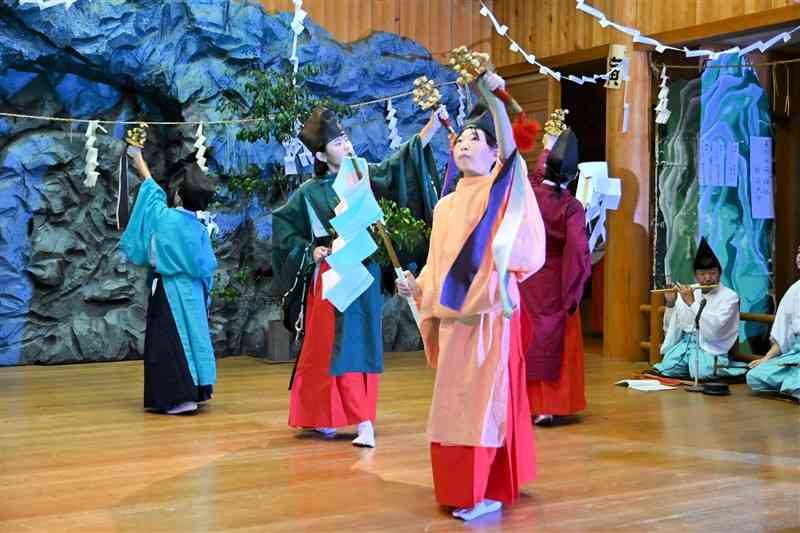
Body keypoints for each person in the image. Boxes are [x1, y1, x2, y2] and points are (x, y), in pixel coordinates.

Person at [398, 72, 546, 521]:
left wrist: (491, 96)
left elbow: (515, 149)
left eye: (476, 138)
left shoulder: (505, 192)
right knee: (453, 407)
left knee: (483, 405)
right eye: (460, 139)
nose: (464, 144)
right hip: (454, 318)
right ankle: (463, 487)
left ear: (495, 152)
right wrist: (417, 286)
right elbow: (437, 265)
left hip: (489, 315)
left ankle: (482, 490)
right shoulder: (445, 204)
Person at [272, 106, 444, 448]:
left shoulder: (363, 173)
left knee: (358, 343)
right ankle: (323, 415)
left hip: (362, 271)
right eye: (337, 143)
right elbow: (284, 227)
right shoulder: (309, 191)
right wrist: (311, 250)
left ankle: (364, 418)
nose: (346, 146)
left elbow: (400, 167)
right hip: (331, 274)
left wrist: (431, 128)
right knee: (324, 348)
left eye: (345, 138)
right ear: (321, 154)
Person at [120, 145, 218, 415]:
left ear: (176, 196)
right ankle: (197, 390)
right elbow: (207, 267)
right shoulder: (199, 229)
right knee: (195, 338)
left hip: (170, 289)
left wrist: (137, 158)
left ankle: (178, 397)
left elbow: (151, 191)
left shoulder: (164, 219)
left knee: (169, 343)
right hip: (195, 292)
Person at [520, 123, 591, 426]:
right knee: (553, 336)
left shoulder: (529, 194)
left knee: (526, 336)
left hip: (525, 275)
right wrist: (573, 291)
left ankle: (522, 404)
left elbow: (537, 176)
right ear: (574, 177)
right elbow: (578, 251)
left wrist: (548, 147)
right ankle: (548, 405)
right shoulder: (571, 206)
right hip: (554, 276)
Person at [653, 238, 746, 380]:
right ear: (696, 276)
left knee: (701, 373)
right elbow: (671, 326)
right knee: (666, 369)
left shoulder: (729, 296)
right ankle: (692, 365)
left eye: (712, 273)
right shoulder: (691, 290)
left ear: (719, 274)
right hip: (686, 344)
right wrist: (671, 303)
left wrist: (691, 303)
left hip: (710, 346)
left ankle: (737, 369)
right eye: (702, 274)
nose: (708, 278)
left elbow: (716, 328)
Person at [746, 244, 800, 401]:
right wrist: (766, 359)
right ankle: (791, 386)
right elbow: (781, 337)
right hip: (795, 355)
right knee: (754, 377)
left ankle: (791, 386)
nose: (799, 257)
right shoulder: (794, 290)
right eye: (798, 252)